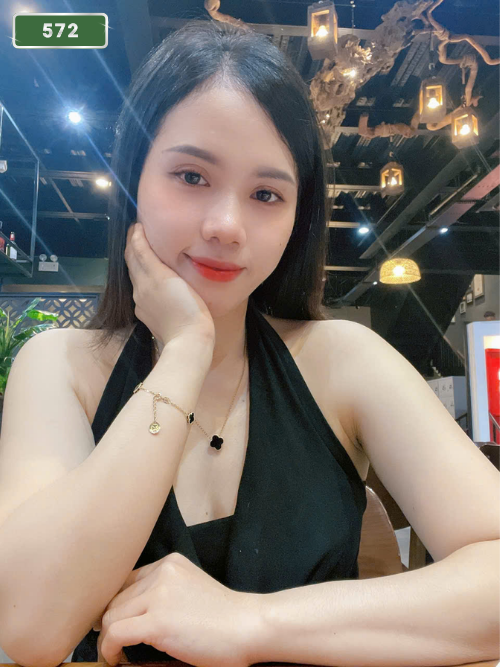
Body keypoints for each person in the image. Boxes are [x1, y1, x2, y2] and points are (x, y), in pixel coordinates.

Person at [0, 19, 498, 667]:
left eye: (266, 193)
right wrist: (183, 352)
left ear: (297, 217)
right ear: (134, 179)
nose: (227, 225)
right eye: (191, 176)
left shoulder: (342, 360)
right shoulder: (61, 366)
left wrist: (250, 621)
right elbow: (29, 627)